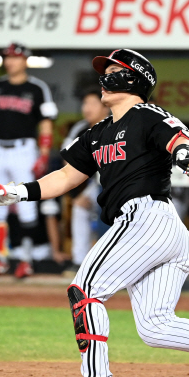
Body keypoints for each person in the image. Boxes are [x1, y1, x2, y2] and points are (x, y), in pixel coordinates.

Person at [0, 49, 189, 377]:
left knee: (84, 290)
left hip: (146, 217)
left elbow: (178, 136)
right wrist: (20, 192)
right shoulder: (97, 133)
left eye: (114, 71)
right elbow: (68, 176)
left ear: (133, 79)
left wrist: (183, 153)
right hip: (155, 230)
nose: (104, 77)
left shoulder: (146, 115)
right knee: (155, 326)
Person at [0, 43, 57, 278]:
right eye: (7, 57)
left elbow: (46, 122)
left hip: (24, 149)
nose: (10, 61)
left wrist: (43, 153)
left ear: (25, 60)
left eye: (15, 57)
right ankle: (0, 259)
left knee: (26, 205)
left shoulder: (37, 88)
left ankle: (25, 259)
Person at [61, 89, 111, 268]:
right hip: (95, 181)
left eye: (92, 103)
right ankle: (79, 261)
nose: (87, 108)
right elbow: (67, 158)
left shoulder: (116, 124)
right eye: (85, 103)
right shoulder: (80, 128)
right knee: (80, 206)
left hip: (117, 182)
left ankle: (111, 263)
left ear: (105, 106)